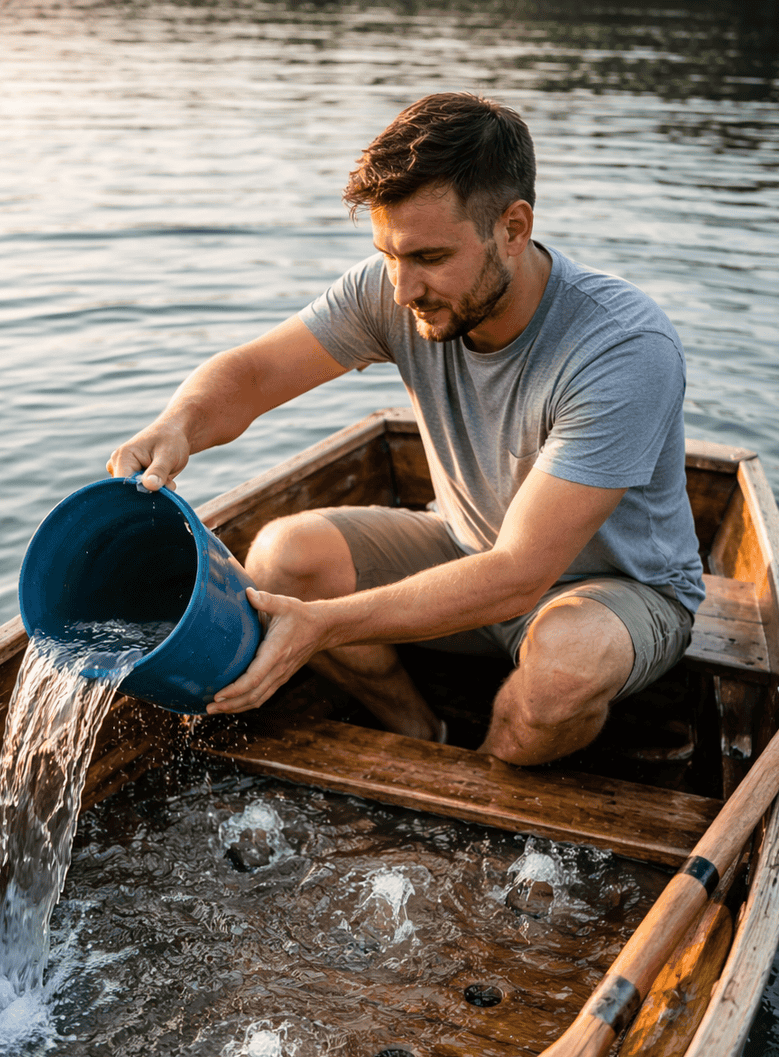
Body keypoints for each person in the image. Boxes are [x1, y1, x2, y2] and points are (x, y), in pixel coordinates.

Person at [107, 92, 704, 765]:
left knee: (561, 667)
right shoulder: (395, 290)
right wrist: (177, 425)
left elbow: (518, 576)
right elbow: (251, 375)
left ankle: (488, 781)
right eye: (388, 255)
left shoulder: (622, 347)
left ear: (513, 227)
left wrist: (324, 627)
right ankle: (422, 736)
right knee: (283, 560)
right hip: (466, 544)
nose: (401, 290)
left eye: (427, 257)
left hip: (613, 591)